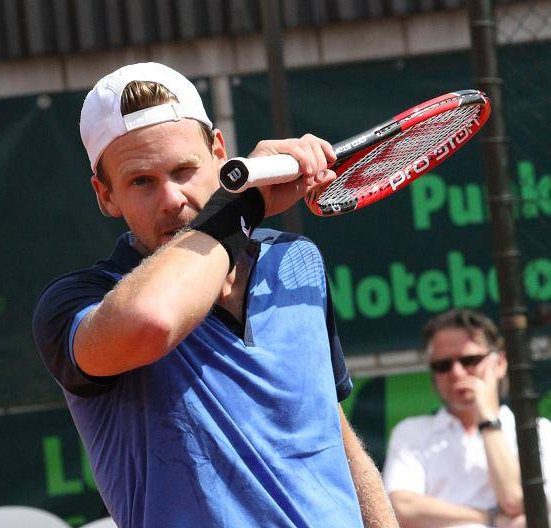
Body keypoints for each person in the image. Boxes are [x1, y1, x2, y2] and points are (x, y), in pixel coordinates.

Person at [32, 62, 397, 527]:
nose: (172, 199)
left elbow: (332, 429)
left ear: (219, 153)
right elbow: (153, 321)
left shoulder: (297, 260)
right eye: (141, 181)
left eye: (184, 170)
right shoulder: (78, 304)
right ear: (105, 195)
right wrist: (243, 204)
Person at [383, 309, 551, 527]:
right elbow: (400, 508)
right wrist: (491, 518)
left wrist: (488, 420)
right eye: (443, 365)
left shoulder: (538, 431)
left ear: (499, 364)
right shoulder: (411, 432)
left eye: (470, 360)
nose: (457, 373)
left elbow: (516, 501)